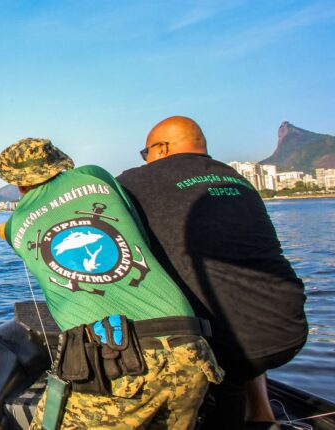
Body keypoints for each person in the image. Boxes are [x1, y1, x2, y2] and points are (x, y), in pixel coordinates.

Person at [0, 138, 222, 430]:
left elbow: (20, 236)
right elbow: (138, 231)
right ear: (58, 161)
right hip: (189, 347)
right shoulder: (94, 175)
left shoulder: (16, 224)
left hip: (119, 361)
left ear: (17, 183)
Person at [116, 116, 308, 429]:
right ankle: (261, 413)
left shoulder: (138, 180)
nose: (145, 161)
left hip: (224, 344)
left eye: (146, 153)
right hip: (288, 328)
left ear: (161, 148)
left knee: (219, 358)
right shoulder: (236, 178)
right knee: (236, 304)